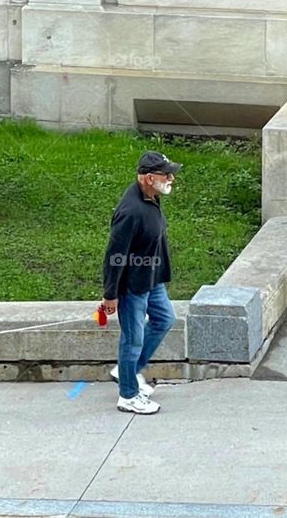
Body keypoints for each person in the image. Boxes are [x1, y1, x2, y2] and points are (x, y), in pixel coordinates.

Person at [101, 151, 180, 415]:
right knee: (132, 340)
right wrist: (110, 295)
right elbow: (115, 255)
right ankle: (128, 396)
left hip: (151, 278)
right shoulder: (131, 212)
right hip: (132, 286)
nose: (171, 178)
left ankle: (127, 370)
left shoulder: (150, 197)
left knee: (164, 319)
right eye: (166, 174)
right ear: (149, 177)